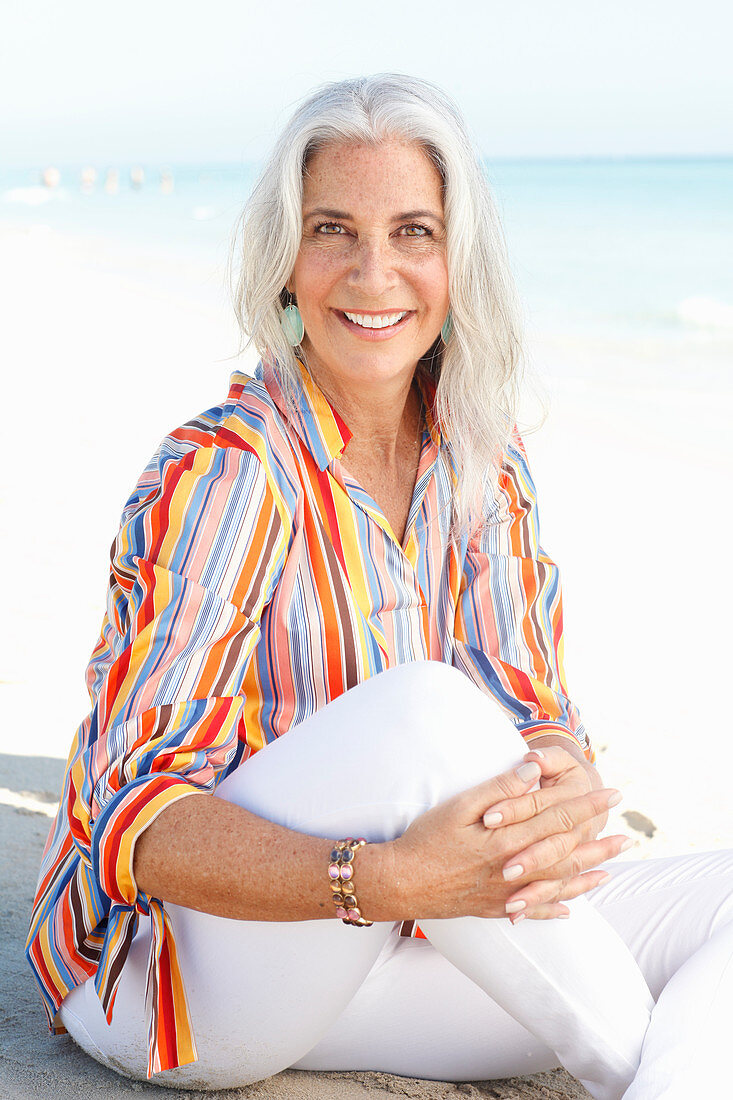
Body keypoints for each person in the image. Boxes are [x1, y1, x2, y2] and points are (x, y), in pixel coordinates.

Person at [26, 75, 733, 1099]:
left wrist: (557, 777)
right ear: (284, 260)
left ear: (458, 261)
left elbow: (532, 708)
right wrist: (390, 876)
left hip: (405, 928)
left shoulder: (481, 456)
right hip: (175, 973)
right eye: (331, 230)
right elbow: (141, 822)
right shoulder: (228, 471)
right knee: (428, 712)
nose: (373, 272)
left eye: (412, 230)